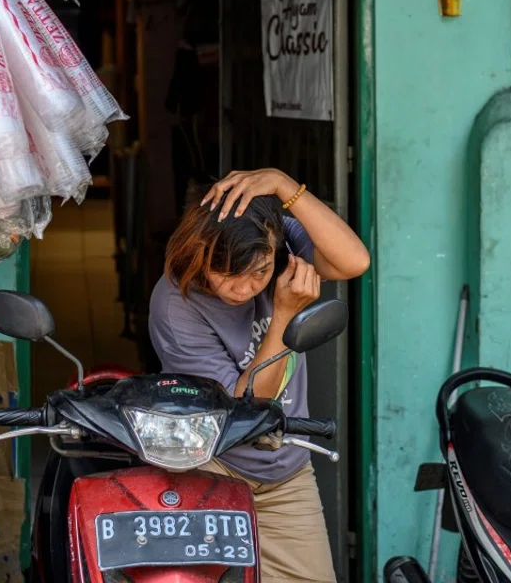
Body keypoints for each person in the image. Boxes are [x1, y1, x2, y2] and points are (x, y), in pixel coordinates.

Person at [148, 168, 370, 583]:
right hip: (213, 468)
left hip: (286, 470)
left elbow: (355, 261)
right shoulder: (176, 302)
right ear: (200, 252)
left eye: (259, 272)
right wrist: (284, 315)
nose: (243, 289)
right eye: (226, 273)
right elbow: (247, 407)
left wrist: (285, 187)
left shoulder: (280, 239)